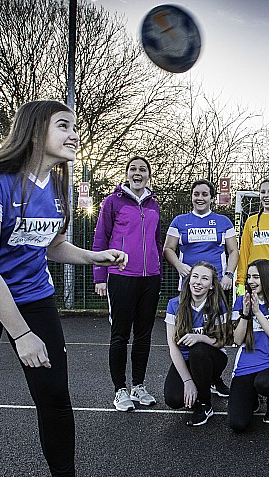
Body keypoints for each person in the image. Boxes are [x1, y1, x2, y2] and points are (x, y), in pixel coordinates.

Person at [0, 100, 127, 476]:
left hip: (35, 296)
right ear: (34, 131)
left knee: (54, 397)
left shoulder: (58, 188)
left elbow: (50, 245)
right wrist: (22, 335)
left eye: (75, 127)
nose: (75, 134)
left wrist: (94, 257)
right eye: (64, 125)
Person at [93, 156, 163, 412]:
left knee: (144, 335)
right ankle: (120, 390)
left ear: (148, 176)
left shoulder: (154, 205)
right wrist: (100, 276)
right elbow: (101, 240)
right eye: (133, 169)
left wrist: (158, 271)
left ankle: (139, 386)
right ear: (126, 174)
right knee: (120, 334)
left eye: (142, 169)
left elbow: (156, 242)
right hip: (121, 277)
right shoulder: (112, 202)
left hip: (150, 279)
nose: (137, 173)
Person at [163, 179, 238, 397]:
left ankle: (214, 377)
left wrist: (228, 275)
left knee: (215, 333)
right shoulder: (180, 221)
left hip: (216, 286)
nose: (200, 197)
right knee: (190, 330)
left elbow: (233, 251)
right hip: (191, 285)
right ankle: (191, 377)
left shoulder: (223, 221)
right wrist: (179, 266)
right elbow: (168, 248)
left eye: (205, 194)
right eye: (196, 193)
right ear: (192, 196)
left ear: (211, 198)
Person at [163, 261, 232, 426]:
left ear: (211, 286)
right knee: (174, 399)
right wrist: (187, 382)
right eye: (195, 276)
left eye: (204, 279)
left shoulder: (218, 304)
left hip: (212, 357)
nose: (198, 282)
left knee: (198, 350)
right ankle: (199, 385)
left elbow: (223, 340)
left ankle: (204, 403)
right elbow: (173, 348)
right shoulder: (175, 305)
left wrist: (201, 338)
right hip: (187, 360)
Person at [229, 259, 269, 432]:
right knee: (238, 424)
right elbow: (237, 340)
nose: (251, 281)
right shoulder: (241, 301)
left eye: (256, 277)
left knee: (265, 383)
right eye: (249, 277)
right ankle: (252, 398)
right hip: (244, 367)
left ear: (267, 278)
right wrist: (246, 314)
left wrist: (257, 312)